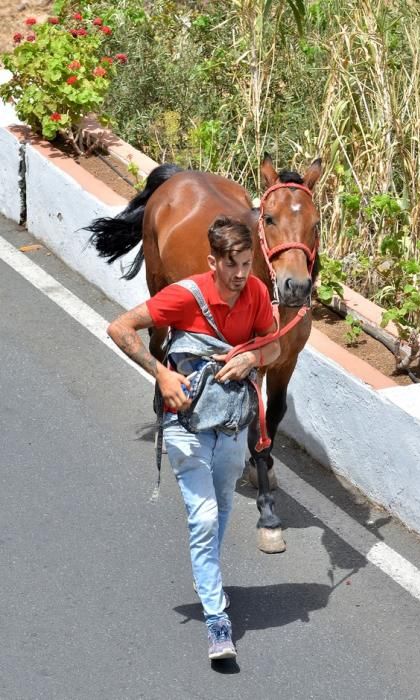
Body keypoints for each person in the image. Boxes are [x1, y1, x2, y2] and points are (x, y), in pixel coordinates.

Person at [107, 216, 280, 660]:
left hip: (232, 426)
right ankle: (217, 620)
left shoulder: (257, 292)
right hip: (184, 425)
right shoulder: (186, 296)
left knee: (221, 507)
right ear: (212, 261)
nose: (241, 274)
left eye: (247, 263)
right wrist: (161, 373)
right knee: (203, 517)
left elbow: (274, 346)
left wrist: (253, 357)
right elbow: (120, 327)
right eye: (232, 265)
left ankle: (208, 576)